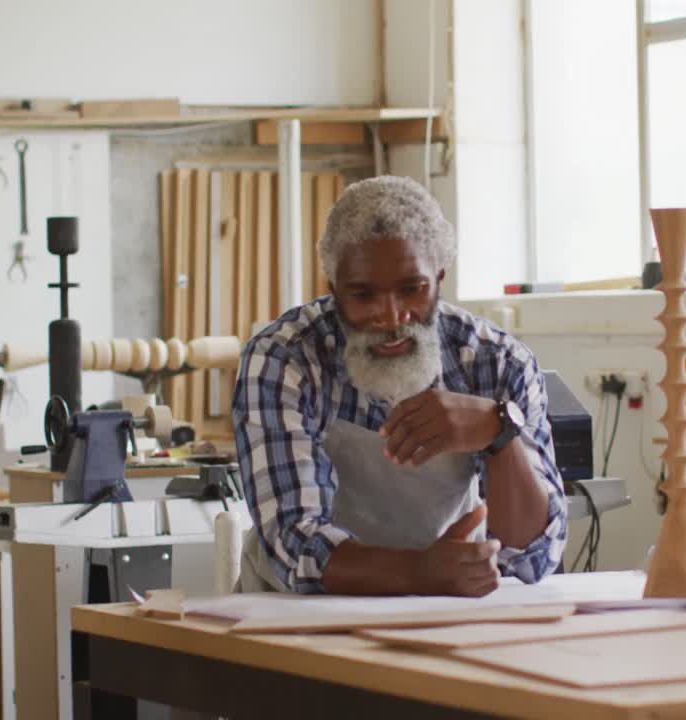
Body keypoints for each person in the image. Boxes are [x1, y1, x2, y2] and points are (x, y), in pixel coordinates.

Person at [232, 175, 567, 596]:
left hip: (441, 613)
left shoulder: (496, 363)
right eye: (362, 294)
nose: (390, 318)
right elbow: (295, 546)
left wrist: (499, 433)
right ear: (333, 289)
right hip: (293, 621)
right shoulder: (287, 359)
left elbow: (534, 556)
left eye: (412, 289)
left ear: (439, 278)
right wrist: (419, 573)